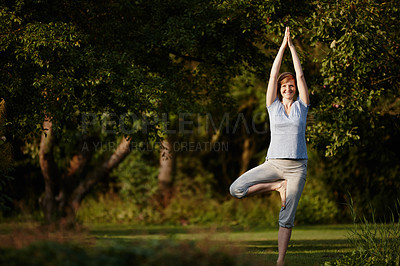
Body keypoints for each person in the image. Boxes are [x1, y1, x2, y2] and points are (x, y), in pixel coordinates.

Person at [229, 27, 310, 266]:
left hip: (297, 169)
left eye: (291, 85)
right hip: (273, 165)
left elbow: (302, 75)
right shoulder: (272, 106)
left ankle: (280, 261)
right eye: (284, 85)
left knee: (287, 217)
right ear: (279, 89)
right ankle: (277, 186)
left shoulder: (302, 106)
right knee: (236, 189)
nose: (287, 87)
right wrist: (282, 47)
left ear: (295, 89)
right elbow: (273, 75)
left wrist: (293, 48)